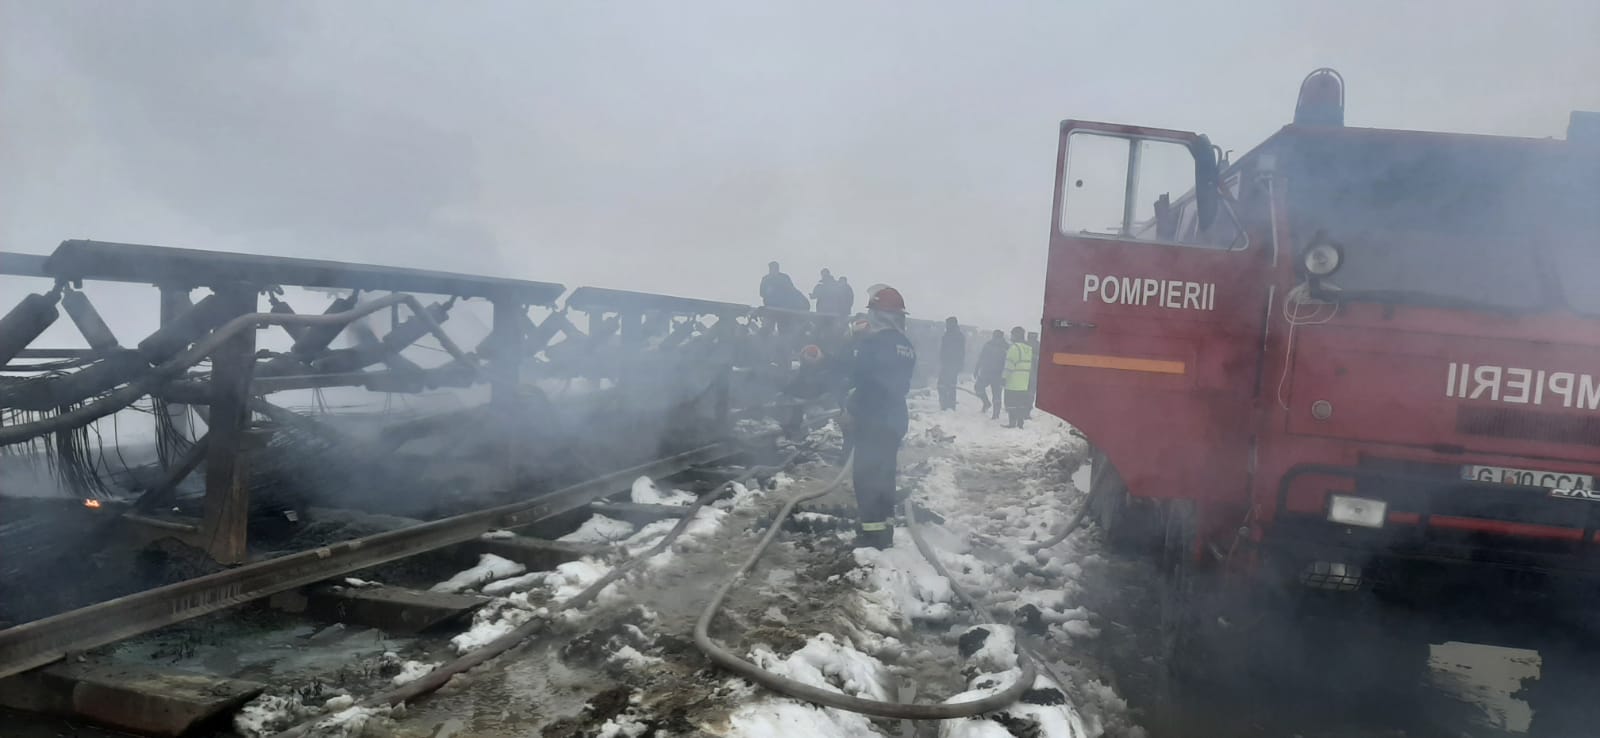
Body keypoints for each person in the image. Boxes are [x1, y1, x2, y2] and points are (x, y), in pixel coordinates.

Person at [843, 285, 916, 550]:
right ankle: (885, 531)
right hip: (894, 419)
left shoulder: (872, 343)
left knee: (867, 479)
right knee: (884, 477)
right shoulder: (906, 345)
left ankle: (871, 536)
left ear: (879, 314)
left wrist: (851, 409)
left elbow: (861, 379)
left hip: (872, 419)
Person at [1003, 326, 1035, 428]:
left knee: (1011, 403)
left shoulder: (1014, 348)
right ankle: (1020, 423)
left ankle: (1012, 423)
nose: (1011, 336)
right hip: (1024, 382)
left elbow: (1009, 365)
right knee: (1021, 404)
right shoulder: (1028, 348)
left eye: (1012, 334)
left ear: (1016, 335)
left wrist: (1004, 377)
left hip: (1013, 382)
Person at [974, 329, 1007, 419]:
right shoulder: (988, 344)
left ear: (1001, 337)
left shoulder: (1006, 347)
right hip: (986, 373)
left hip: (998, 375)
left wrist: (1005, 376)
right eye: (994, 336)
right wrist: (976, 369)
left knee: (997, 395)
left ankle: (995, 415)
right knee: (978, 388)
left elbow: (1008, 362)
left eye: (997, 337)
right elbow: (981, 357)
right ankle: (986, 403)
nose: (995, 338)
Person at [937, 317, 965, 411]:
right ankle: (947, 405)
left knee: (948, 385)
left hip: (952, 364)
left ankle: (948, 405)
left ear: (952, 324)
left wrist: (959, 364)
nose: (946, 325)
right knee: (945, 385)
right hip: (947, 363)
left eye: (948, 323)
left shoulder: (957, 336)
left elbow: (961, 352)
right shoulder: (949, 334)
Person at [1025, 330, 1040, 420]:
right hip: (1034, 376)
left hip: (1023, 375)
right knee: (1030, 395)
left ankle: (1020, 411)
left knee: (1022, 394)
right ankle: (1027, 412)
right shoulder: (1039, 347)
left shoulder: (1024, 345)